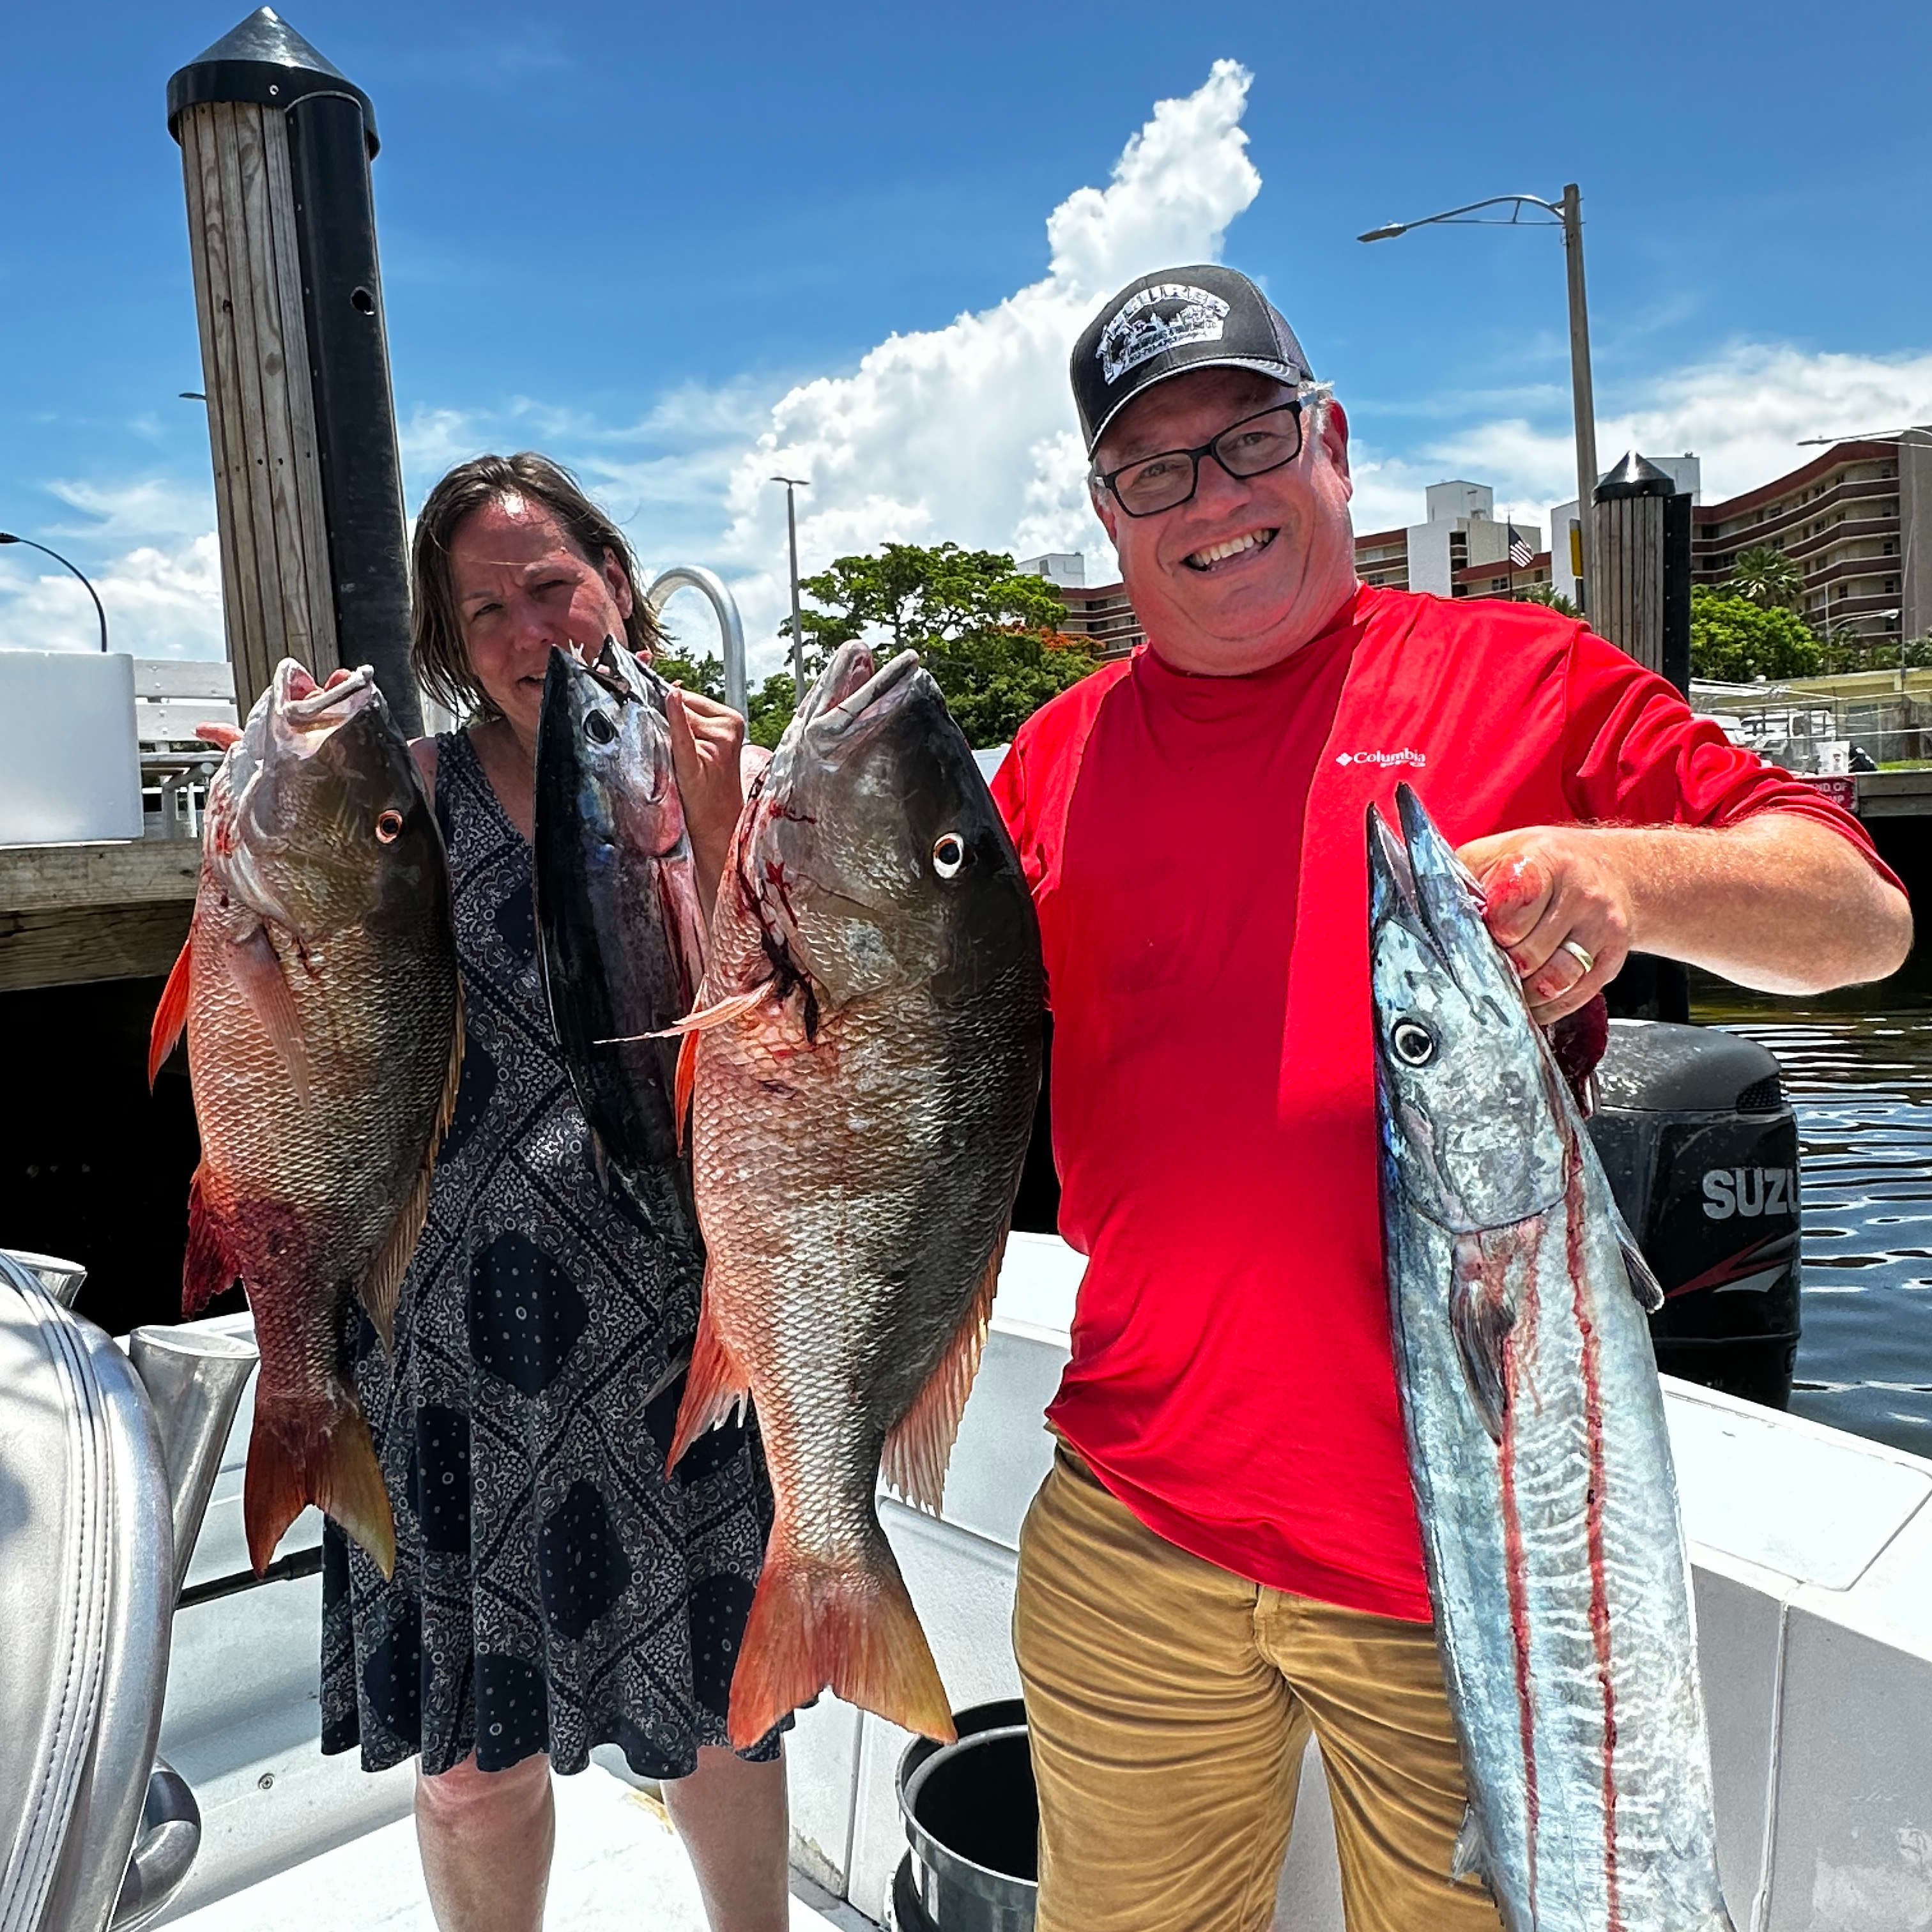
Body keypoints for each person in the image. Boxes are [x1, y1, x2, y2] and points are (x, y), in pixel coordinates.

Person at [991, 266, 1913, 1932]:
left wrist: (1624, 876)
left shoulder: (1527, 675)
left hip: (1477, 1567)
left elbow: (1861, 919)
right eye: (1154, 469)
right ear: (1108, 514)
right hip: (1134, 1526)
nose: (1212, 500)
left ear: (1331, 442)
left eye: (1250, 439)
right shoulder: (1052, 759)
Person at [319, 452, 790, 1932]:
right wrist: (268, 839)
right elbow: (304, 1020)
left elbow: (805, 1035)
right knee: (471, 1770)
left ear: (617, 584)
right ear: (450, 645)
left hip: (682, 1338)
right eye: (485, 612)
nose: (529, 632)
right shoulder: (404, 801)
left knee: (722, 1719)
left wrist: (723, 824)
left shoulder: (739, 779)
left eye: (551, 587)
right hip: (446, 1352)